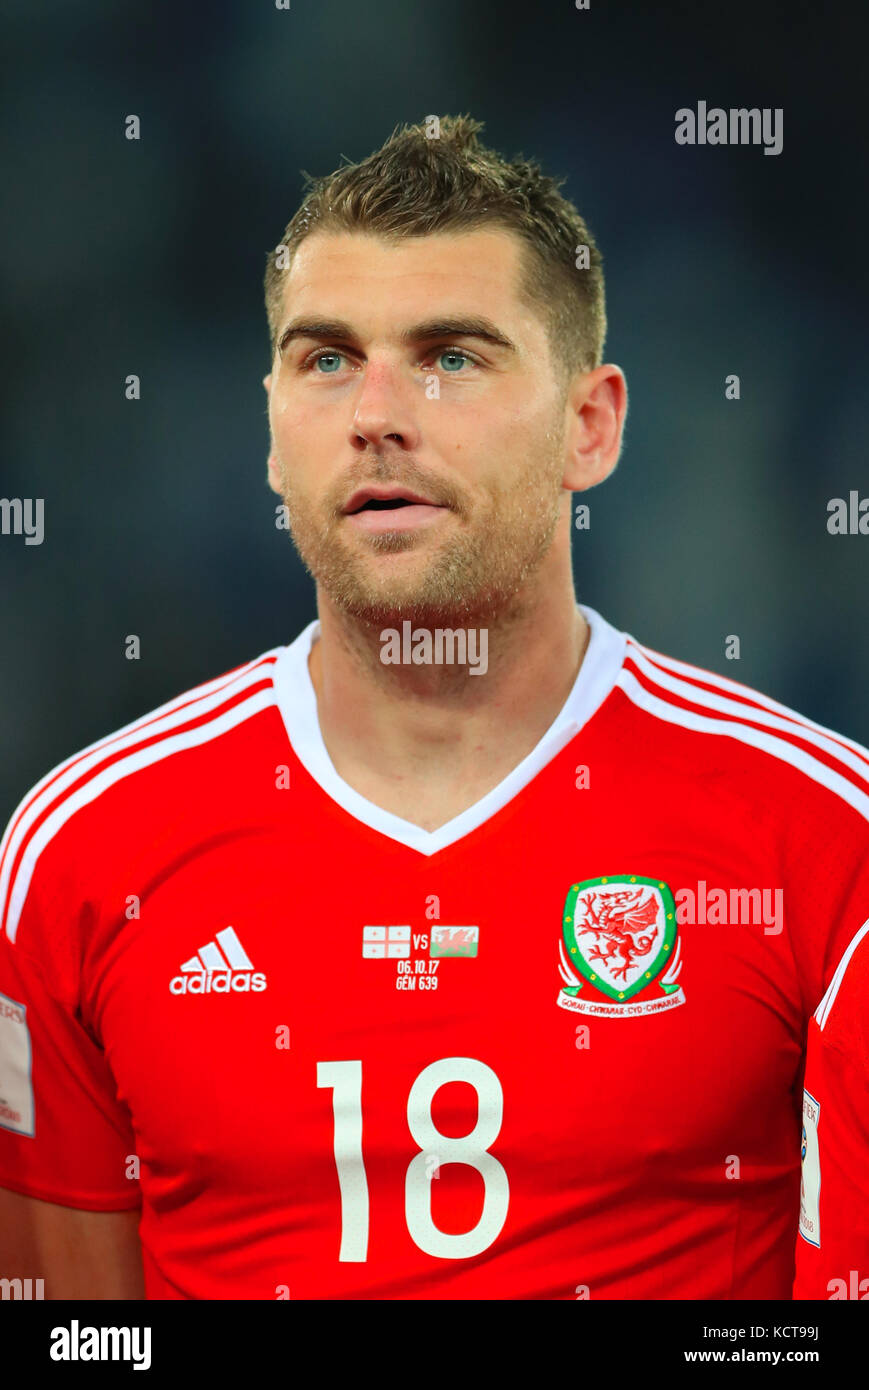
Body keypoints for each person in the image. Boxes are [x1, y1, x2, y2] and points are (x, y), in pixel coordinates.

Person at [1, 115, 866, 1300]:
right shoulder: (83, 854)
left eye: (450, 356)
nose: (375, 413)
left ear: (589, 424)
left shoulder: (817, 839)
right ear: (269, 432)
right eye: (324, 359)